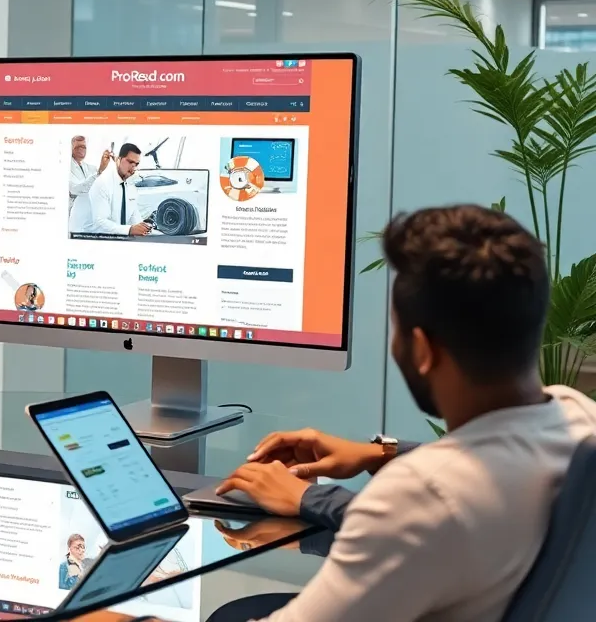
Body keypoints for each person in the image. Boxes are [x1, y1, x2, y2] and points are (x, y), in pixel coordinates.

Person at [215, 204, 596, 622]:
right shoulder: (577, 416)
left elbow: (431, 503)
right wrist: (380, 454)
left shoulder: (423, 495)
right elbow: (492, 465)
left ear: (422, 349)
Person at [81, 143, 150, 236]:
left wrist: (145, 228)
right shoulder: (103, 183)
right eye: (130, 162)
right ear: (118, 159)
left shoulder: (131, 189)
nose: (133, 167)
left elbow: (135, 217)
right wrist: (129, 230)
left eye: (136, 164)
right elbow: (100, 223)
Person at [68, 136, 110, 210]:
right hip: (75, 215)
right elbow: (76, 190)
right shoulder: (66, 168)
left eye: (84, 147)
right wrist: (100, 171)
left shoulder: (91, 168)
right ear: (71, 148)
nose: (81, 149)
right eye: (78, 147)